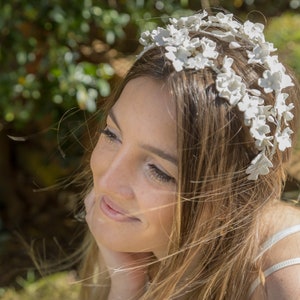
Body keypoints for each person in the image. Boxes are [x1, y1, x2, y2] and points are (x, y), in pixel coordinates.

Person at [79, 9, 300, 300]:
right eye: (112, 135)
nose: (108, 180)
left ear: (229, 201)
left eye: (158, 170)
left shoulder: (284, 285)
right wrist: (125, 288)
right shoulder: (135, 249)